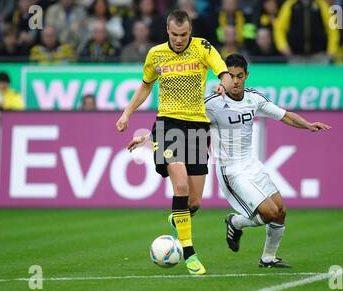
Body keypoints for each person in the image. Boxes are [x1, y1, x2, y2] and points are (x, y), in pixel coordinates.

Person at [127, 54, 331, 268]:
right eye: (230, 76)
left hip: (253, 165)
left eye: (239, 76)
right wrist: (147, 137)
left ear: (246, 76)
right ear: (223, 77)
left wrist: (307, 124)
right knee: (269, 213)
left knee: (280, 212)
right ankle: (235, 221)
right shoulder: (212, 103)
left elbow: (285, 115)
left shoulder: (254, 98)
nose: (235, 81)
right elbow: (178, 120)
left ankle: (268, 258)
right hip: (231, 170)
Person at [116, 10, 233, 275]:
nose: (179, 40)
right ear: (167, 31)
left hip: (197, 127)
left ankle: (177, 218)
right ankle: (189, 253)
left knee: (194, 202)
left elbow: (223, 72)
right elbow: (146, 85)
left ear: (189, 32)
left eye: (183, 35)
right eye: (174, 35)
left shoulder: (203, 47)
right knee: (179, 184)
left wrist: (223, 85)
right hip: (167, 124)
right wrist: (127, 114)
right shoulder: (156, 54)